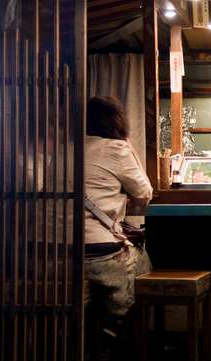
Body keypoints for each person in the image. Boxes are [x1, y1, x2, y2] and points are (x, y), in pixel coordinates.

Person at [84, 95, 153, 319]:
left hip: (49, 249)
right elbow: (144, 193)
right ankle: (123, 328)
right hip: (96, 251)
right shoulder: (116, 148)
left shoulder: (65, 148)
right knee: (143, 261)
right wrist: (126, 142)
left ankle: (92, 336)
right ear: (117, 122)